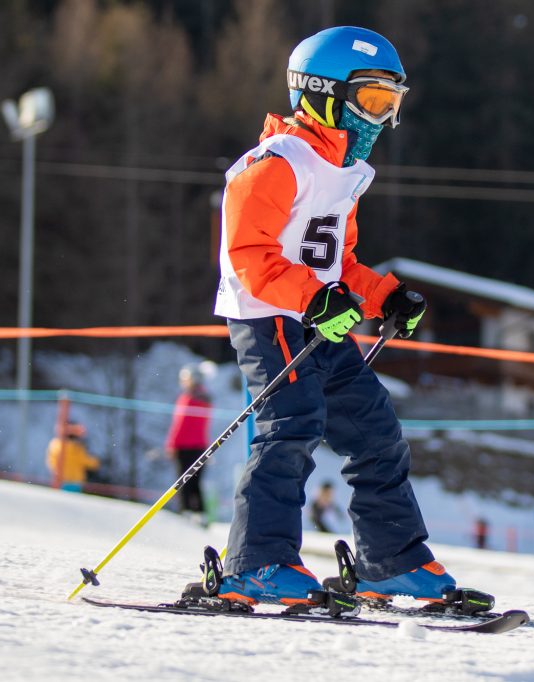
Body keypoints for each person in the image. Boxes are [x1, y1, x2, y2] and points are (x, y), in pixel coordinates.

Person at [212, 26, 458, 607]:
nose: (382, 118)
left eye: (391, 103)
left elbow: (337, 262)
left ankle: (390, 562)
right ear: (323, 93)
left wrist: (385, 297)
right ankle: (257, 563)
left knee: (375, 430)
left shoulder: (347, 172)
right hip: (269, 317)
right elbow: (249, 254)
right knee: (292, 424)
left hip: (320, 319)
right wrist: (313, 299)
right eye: (372, 100)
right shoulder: (276, 163)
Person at [165, 363, 213, 522]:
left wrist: (171, 444)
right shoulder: (205, 399)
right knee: (195, 481)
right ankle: (200, 513)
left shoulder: (187, 399)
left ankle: (186, 512)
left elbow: (179, 424)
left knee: (184, 481)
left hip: (184, 446)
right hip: (200, 446)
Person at [45, 422, 100, 493]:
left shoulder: (55, 445)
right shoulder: (76, 448)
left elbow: (51, 462)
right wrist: (97, 461)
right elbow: (90, 463)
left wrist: (57, 474)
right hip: (75, 483)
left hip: (60, 481)